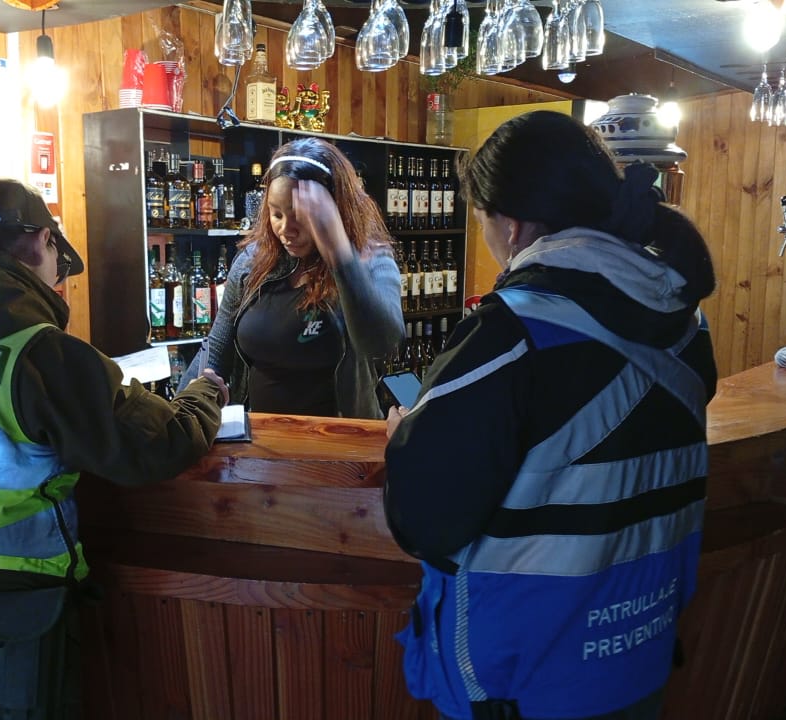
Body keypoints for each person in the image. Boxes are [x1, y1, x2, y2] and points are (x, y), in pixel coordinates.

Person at [383, 110, 718, 720]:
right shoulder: (684, 322)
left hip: (528, 682)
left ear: (511, 227)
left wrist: (407, 438)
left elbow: (426, 520)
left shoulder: (513, 331)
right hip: (640, 652)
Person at [0, 178, 228, 719]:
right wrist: (203, 395)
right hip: (4, 624)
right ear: (40, 242)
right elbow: (159, 443)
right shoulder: (35, 351)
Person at [182, 137, 403, 419]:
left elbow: (382, 344)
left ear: (336, 210)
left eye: (299, 216)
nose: (286, 229)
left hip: (341, 435)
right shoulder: (252, 261)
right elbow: (216, 350)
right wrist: (182, 406)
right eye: (276, 214)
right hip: (261, 434)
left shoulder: (371, 260)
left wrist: (338, 251)